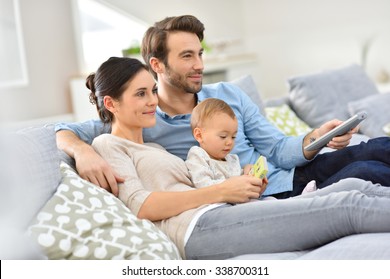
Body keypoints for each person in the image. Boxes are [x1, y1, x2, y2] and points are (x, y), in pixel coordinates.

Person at [55, 15, 390, 199]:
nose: (199, 64)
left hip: (293, 173)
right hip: (267, 197)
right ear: (157, 65)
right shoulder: (141, 117)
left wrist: (315, 137)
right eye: (187, 56)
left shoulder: (228, 93)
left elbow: (276, 148)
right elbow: (65, 130)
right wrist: (83, 153)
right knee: (368, 173)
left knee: (377, 147)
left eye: (200, 53)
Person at [88, 56, 390, 260]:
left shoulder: (153, 146)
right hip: (199, 228)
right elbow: (141, 205)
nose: (153, 100)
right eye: (140, 94)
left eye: (152, 91)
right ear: (111, 103)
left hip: (222, 211)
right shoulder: (106, 144)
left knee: (355, 185)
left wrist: (237, 184)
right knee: (348, 206)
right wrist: (222, 190)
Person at [186, 97, 316, 196]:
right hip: (224, 207)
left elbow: (240, 181)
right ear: (199, 135)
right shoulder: (198, 156)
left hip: (246, 202)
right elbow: (203, 187)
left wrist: (251, 177)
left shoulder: (232, 159)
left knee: (269, 200)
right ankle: (303, 198)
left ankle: (304, 197)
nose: (229, 142)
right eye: (223, 137)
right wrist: (236, 185)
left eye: (233, 137)